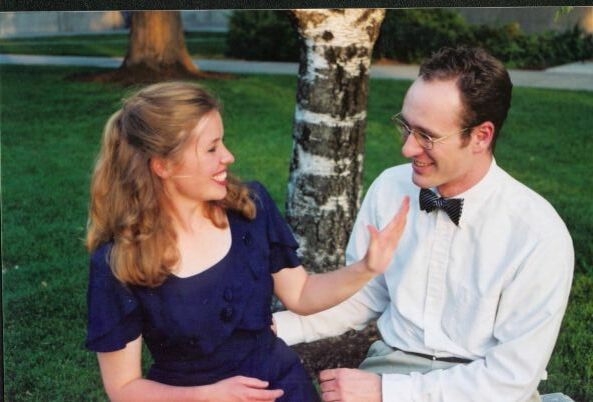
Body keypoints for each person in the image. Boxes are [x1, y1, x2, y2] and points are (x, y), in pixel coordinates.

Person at [274, 46, 574, 402]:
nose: (407, 149)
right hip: (390, 364)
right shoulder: (389, 188)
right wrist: (274, 328)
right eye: (406, 127)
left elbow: (510, 379)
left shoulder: (538, 234)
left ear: (480, 136)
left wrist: (387, 392)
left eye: (427, 136)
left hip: (484, 388)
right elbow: (361, 296)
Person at [85, 81, 410, 402]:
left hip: (283, 387)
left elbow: (300, 293)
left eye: (222, 143)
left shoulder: (249, 209)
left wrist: (366, 268)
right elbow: (124, 387)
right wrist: (209, 396)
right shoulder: (120, 260)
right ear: (163, 166)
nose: (228, 156)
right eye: (211, 149)